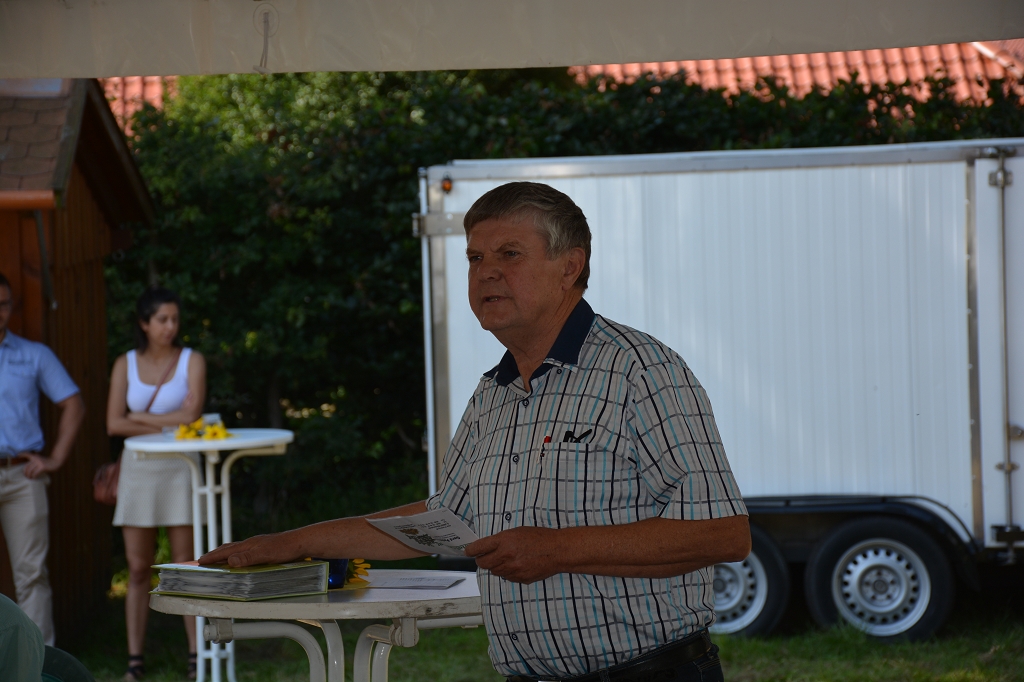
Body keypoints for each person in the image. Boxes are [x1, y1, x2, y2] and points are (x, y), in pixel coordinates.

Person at [201, 183, 750, 682]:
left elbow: (723, 534)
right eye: (475, 258)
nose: (486, 272)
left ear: (570, 266)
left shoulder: (641, 370)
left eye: (509, 254)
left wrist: (557, 550)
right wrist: (291, 544)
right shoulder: (494, 393)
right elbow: (442, 524)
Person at [106, 287, 206, 681]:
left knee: (186, 563)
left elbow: (193, 417)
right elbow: (113, 423)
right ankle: (135, 661)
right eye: (162, 319)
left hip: (181, 466)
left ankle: (197, 656)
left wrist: (138, 417)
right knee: (136, 568)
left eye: (174, 319)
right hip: (139, 469)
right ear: (144, 323)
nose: (170, 326)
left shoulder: (191, 360)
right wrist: (170, 421)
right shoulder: (125, 363)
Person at [0, 271, 85, 647]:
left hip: (23, 475)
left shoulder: (34, 354)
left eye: (3, 304)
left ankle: (39, 667)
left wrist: (56, 458)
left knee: (32, 575)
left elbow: (73, 404)